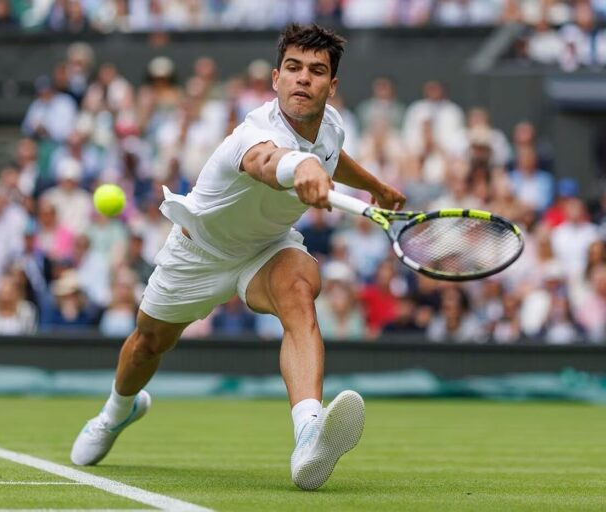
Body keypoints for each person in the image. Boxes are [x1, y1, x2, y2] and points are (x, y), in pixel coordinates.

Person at [70, 23, 406, 491]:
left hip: (266, 248)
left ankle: (309, 433)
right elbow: (270, 163)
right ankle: (114, 413)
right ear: (275, 78)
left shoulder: (331, 125)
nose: (303, 79)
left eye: (316, 71)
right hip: (200, 250)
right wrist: (301, 167)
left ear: (333, 86)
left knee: (299, 291)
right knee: (148, 344)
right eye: (293, 68)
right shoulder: (253, 134)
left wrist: (374, 186)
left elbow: (332, 153)